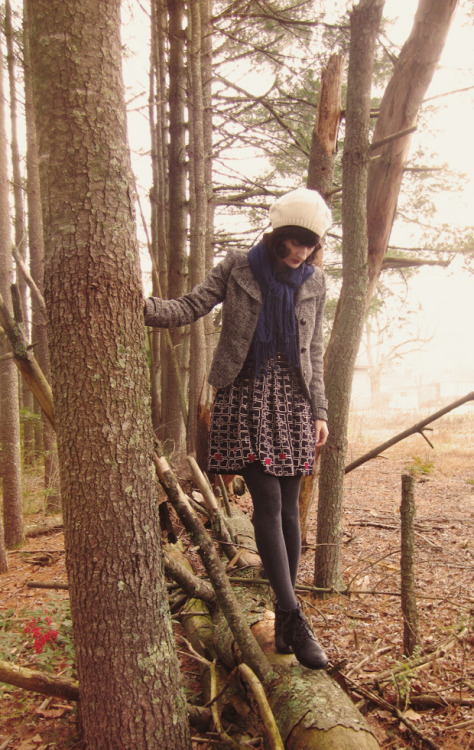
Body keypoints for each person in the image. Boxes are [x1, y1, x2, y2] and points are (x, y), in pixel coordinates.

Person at [144, 187, 331, 669]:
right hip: (244, 395)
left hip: (294, 404)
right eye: (291, 242)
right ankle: (292, 615)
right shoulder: (238, 265)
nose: (298, 253)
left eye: (308, 245)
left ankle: (287, 621)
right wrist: (143, 307)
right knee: (267, 501)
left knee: (290, 510)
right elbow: (192, 305)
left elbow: (314, 353)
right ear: (275, 234)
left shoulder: (315, 282)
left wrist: (321, 412)